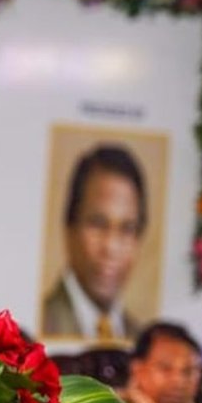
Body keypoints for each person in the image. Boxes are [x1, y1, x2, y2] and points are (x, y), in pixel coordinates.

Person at [41, 144, 147, 343]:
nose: (111, 247)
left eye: (127, 229)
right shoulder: (42, 320)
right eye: (98, 224)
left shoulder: (138, 335)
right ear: (69, 228)